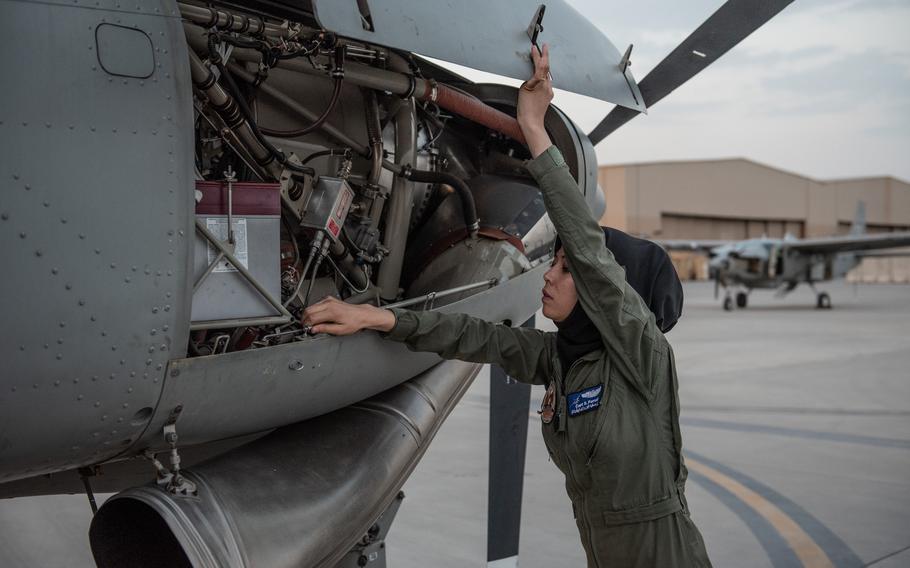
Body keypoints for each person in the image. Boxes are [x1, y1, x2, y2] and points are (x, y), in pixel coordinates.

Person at [303, 44, 712, 568]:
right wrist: (378, 316)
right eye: (557, 263)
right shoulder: (566, 361)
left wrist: (535, 128)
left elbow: (588, 248)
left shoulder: (642, 353)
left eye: (566, 269)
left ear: (607, 291)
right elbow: (476, 337)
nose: (551, 274)